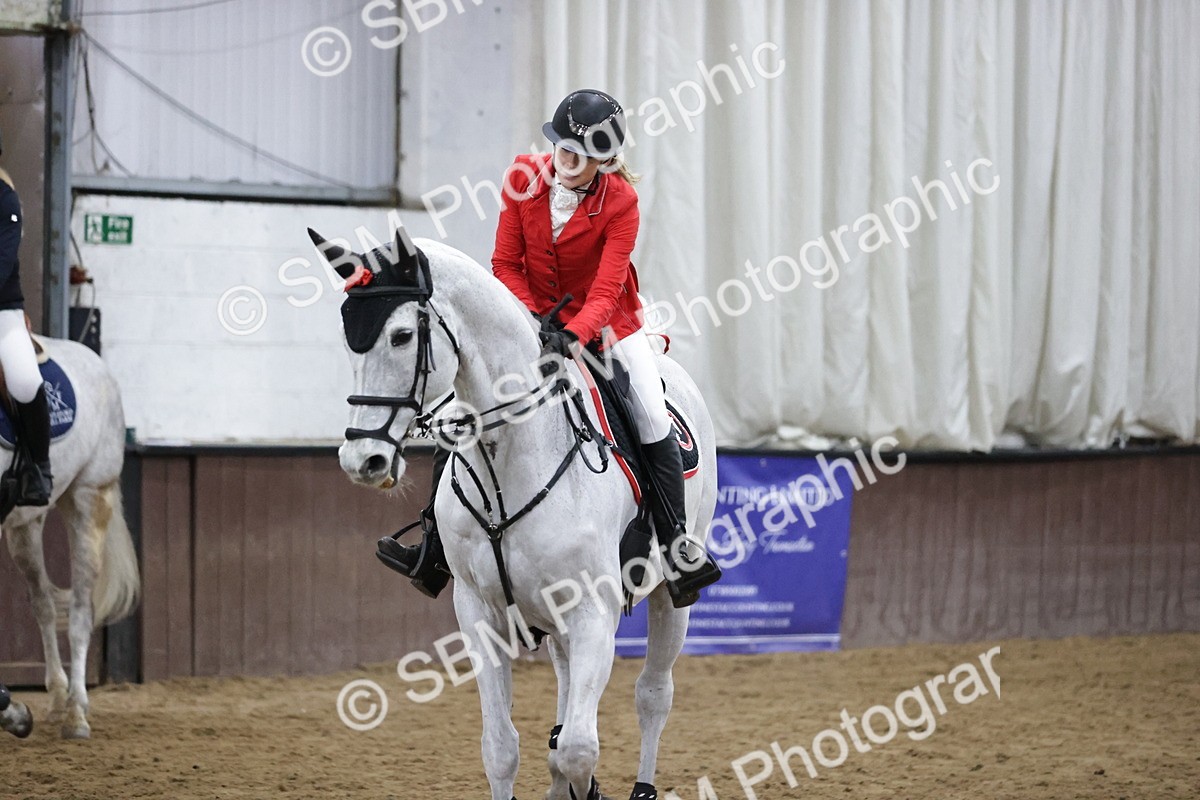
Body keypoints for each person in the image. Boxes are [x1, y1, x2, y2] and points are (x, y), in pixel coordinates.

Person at [378, 90, 721, 606]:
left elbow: (607, 290)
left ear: (603, 162)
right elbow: (505, 264)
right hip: (528, 318)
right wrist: (533, 323)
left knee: (651, 414)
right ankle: (434, 545)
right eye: (561, 149)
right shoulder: (523, 177)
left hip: (608, 327)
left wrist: (575, 335)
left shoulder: (622, 202)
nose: (566, 161)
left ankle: (676, 543)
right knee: (463, 407)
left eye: (580, 156)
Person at [0, 129, 53, 506]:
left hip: (2, 312)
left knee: (22, 379)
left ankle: (39, 467)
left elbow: (2, 261)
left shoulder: (6, 201)